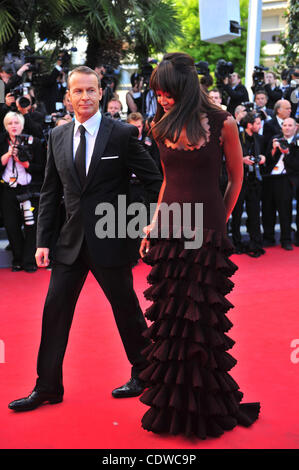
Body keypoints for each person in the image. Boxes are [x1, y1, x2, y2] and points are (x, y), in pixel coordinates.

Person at [8, 65, 162, 412]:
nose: (85, 97)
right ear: (68, 95)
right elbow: (50, 192)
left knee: (126, 310)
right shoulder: (58, 137)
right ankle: (47, 386)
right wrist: (42, 241)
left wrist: (136, 223)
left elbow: (154, 181)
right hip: (69, 243)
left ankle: (145, 373)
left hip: (112, 240)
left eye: (91, 90)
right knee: (54, 312)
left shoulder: (121, 134)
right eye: (78, 91)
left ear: (101, 92)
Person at [138, 52, 260, 439]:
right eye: (157, 93)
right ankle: (172, 408)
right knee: (172, 324)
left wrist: (220, 221)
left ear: (186, 87)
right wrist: (152, 226)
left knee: (201, 322)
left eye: (167, 92)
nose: (161, 99)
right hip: (170, 235)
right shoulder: (159, 125)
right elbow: (166, 182)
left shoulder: (224, 124)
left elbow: (236, 178)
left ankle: (205, 406)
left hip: (206, 235)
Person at [0, 111, 45, 272]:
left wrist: (26, 164)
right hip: (8, 190)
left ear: (22, 125)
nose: (14, 126)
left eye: (16, 123)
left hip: (29, 190)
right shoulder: (1, 141)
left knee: (31, 226)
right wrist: (7, 156)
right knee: (11, 226)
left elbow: (42, 168)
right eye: (10, 123)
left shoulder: (34, 142)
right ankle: (17, 259)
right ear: (6, 126)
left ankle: (29, 261)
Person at [231, 113, 266, 257]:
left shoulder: (259, 138)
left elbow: (263, 155)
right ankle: (236, 243)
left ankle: (255, 242)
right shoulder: (237, 137)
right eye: (257, 123)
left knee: (254, 213)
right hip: (239, 181)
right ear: (249, 124)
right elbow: (227, 156)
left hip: (254, 181)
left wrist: (263, 157)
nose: (260, 126)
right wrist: (242, 159)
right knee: (237, 214)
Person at [262, 117, 299, 250]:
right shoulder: (275, 139)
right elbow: (266, 160)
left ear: (296, 127)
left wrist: (287, 153)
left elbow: (296, 165)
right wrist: (273, 150)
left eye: (290, 125)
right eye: (285, 125)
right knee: (267, 209)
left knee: (285, 211)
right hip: (270, 178)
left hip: (287, 179)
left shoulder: (297, 142)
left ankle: (286, 239)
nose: (287, 128)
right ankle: (268, 238)